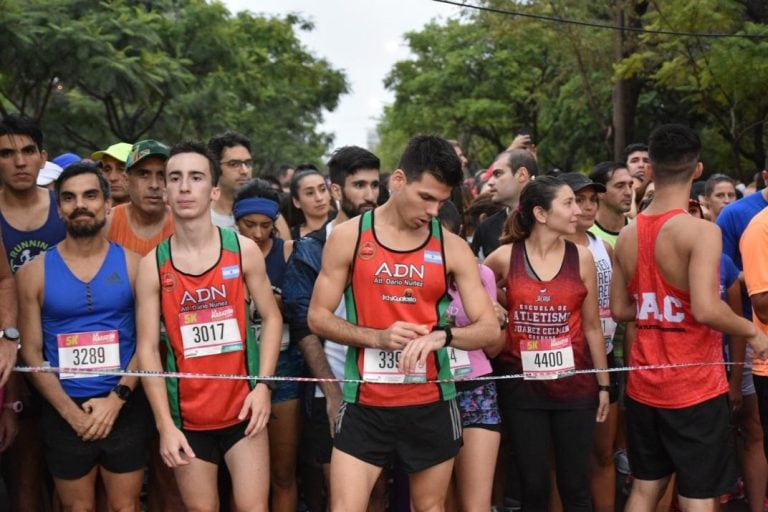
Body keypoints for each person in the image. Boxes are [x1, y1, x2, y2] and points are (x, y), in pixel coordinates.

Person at [307, 135, 499, 512]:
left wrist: (442, 338)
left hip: (431, 402)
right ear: (397, 180)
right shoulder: (350, 237)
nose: (432, 210)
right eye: (425, 197)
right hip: (365, 402)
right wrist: (377, 337)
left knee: (429, 507)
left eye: (441, 202)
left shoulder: (451, 247)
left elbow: (489, 329)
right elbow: (317, 317)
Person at [611, 123, 768, 510]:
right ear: (697, 171)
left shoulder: (628, 235)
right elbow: (706, 307)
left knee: (646, 487)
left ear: (649, 170)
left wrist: (655, 306)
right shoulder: (700, 232)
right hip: (694, 385)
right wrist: (752, 332)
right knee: (698, 494)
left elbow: (619, 310)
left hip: (645, 384)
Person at [136, 141, 282, 511]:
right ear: (166, 192)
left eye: (196, 177)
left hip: (243, 412)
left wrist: (263, 386)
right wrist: (165, 425)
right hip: (187, 417)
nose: (185, 187)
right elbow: (148, 348)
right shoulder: (153, 265)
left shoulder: (242, 250)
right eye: (176, 178)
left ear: (214, 190)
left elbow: (272, 316)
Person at [17, 163, 152, 511]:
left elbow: (147, 342)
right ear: (58, 207)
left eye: (90, 195)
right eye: (69, 197)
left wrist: (116, 400)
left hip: (124, 403)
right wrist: (70, 413)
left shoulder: (137, 266)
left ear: (108, 204)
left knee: (126, 506)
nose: (80, 204)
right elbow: (30, 353)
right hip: (64, 409)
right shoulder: (32, 273)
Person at [484, 176, 610, 511]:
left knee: (575, 485)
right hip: (523, 391)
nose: (578, 210)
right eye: (569, 203)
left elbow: (593, 326)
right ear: (541, 213)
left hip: (575, 388)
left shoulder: (581, 257)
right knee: (534, 485)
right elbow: (472, 292)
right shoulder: (504, 257)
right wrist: (496, 307)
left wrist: (604, 385)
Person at [282, 145, 383, 510]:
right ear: (337, 191)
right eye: (359, 185)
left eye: (374, 184)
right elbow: (303, 326)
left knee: (379, 494)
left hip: (385, 389)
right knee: (340, 495)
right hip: (333, 390)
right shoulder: (311, 250)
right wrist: (332, 393)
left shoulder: (391, 244)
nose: (370, 194)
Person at [0, 114, 66, 511]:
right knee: (22, 481)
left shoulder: (71, 209)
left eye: (28, 151)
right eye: (7, 153)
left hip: (68, 358)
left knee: (69, 484)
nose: (19, 162)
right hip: (12, 366)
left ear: (43, 158)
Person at [233, 178, 301, 512]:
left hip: (284, 365)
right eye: (249, 225)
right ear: (235, 222)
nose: (259, 234)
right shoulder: (224, 251)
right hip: (235, 366)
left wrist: (277, 302)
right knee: (240, 478)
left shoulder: (287, 251)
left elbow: (307, 310)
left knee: (283, 473)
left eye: (266, 226)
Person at [437, 201, 505, 512]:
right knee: (435, 501)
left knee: (476, 503)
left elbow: (493, 347)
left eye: (446, 239)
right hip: (428, 390)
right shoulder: (407, 278)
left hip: (476, 387)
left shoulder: (482, 276)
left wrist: (497, 323)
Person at [557, 172, 619, 512]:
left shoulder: (604, 247)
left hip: (604, 357)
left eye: (592, 200)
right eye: (578, 200)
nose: (587, 207)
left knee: (603, 452)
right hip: (564, 363)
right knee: (562, 458)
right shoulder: (551, 247)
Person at [106, 139, 175, 255]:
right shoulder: (107, 223)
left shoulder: (184, 226)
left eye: (162, 175)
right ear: (126, 180)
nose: (154, 185)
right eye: (143, 174)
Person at [471, 149, 537, 259]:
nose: (490, 182)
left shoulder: (551, 222)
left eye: (498, 174)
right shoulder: (486, 229)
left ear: (522, 175)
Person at [207, 131, 253, 230]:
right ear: (215, 167)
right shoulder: (201, 214)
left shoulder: (266, 211)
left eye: (248, 163)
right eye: (234, 164)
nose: (244, 171)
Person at [588, 161, 633, 246]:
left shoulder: (639, 230)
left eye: (630, 185)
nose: (629, 192)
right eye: (620, 186)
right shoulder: (584, 233)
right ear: (600, 192)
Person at [285, 169, 332, 239]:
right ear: (296, 202)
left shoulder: (345, 226)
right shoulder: (291, 238)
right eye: (310, 193)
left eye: (323, 189)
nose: (319, 198)